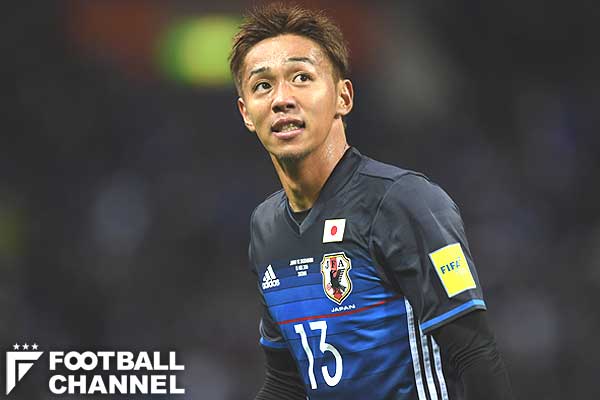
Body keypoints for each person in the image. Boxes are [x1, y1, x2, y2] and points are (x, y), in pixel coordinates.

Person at [230, 3, 514, 399]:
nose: (282, 99)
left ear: (343, 97)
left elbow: (475, 355)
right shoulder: (266, 227)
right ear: (246, 113)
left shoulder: (403, 201)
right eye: (263, 85)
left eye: (301, 77)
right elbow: (286, 382)